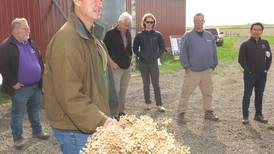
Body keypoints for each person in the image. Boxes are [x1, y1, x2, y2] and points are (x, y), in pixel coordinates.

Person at [43, 1, 118, 153]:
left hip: (90, 123)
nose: (100, 4)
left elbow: (99, 83)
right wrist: (102, 120)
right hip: (76, 131)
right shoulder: (67, 40)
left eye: (101, 0)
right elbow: (69, 95)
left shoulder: (91, 37)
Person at [0, 18, 49, 149]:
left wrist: (41, 79)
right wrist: (13, 83)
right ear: (15, 30)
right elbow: (3, 66)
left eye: (28, 28)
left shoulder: (31, 42)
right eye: (25, 28)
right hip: (20, 88)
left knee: (35, 111)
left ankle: (37, 131)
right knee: (18, 114)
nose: (28, 30)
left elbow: (39, 60)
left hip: (36, 86)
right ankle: (18, 139)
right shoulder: (7, 46)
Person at [178, 13, 219, 123]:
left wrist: (214, 64)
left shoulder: (209, 35)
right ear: (194, 22)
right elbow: (183, 52)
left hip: (207, 71)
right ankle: (181, 113)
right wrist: (186, 66)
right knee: (185, 93)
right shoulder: (188, 35)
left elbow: (214, 51)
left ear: (204, 22)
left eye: (201, 20)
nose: (199, 22)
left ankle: (208, 112)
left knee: (208, 93)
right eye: (196, 20)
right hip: (193, 71)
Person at [238, 22, 272, 125]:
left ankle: (258, 115)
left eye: (259, 30)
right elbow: (241, 60)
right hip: (249, 75)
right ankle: (245, 116)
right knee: (247, 95)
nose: (256, 31)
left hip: (262, 75)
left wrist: (266, 69)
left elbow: (269, 57)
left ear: (261, 31)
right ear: (251, 31)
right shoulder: (245, 45)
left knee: (259, 94)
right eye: (254, 29)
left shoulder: (265, 43)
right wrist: (248, 71)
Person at [133, 13, 166, 112]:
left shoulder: (158, 35)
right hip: (143, 64)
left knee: (156, 84)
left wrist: (156, 56)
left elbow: (162, 48)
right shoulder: (139, 35)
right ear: (144, 22)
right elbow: (135, 49)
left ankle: (159, 104)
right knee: (146, 84)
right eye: (147, 22)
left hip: (153, 64)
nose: (149, 24)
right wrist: (141, 56)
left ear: (153, 23)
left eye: (151, 22)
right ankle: (147, 103)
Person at [103, 12, 132, 119]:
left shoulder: (128, 33)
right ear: (119, 22)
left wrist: (130, 60)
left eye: (128, 25)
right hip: (116, 67)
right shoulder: (110, 34)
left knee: (123, 90)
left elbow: (129, 49)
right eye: (125, 24)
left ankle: (121, 112)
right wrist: (111, 62)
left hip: (126, 67)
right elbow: (104, 50)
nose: (126, 26)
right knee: (115, 91)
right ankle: (113, 114)